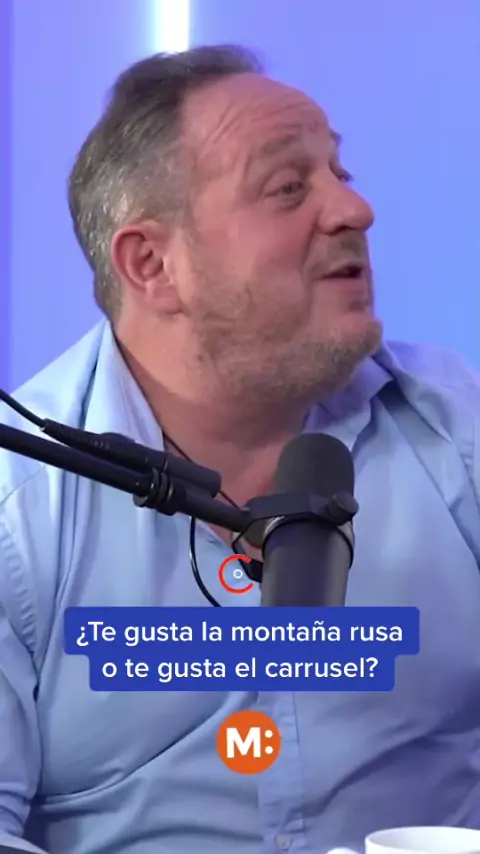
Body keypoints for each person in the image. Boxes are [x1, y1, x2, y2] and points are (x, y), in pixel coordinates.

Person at [1, 43, 480, 854]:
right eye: (288, 187)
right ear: (153, 264)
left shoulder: (458, 426)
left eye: (341, 173)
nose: (354, 210)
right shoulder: (18, 505)